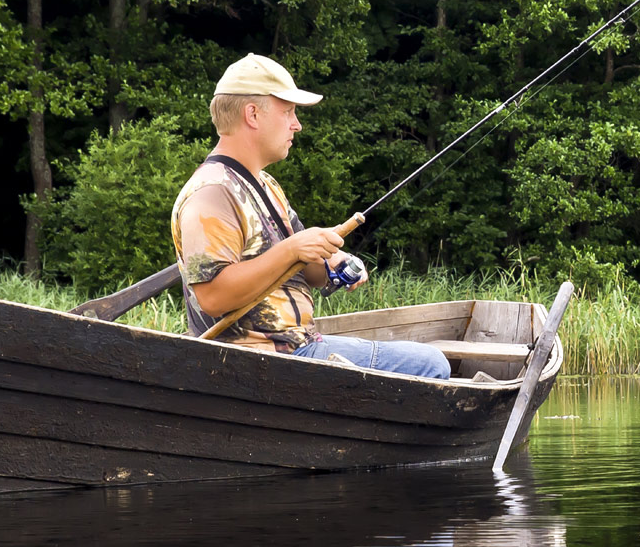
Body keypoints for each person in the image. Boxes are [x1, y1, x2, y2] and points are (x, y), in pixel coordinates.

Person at [170, 53, 451, 379]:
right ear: (252, 115)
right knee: (431, 364)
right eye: (287, 111)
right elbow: (213, 296)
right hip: (258, 362)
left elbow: (308, 272)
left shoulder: (265, 184)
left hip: (295, 349)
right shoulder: (213, 193)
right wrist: (292, 249)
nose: (297, 124)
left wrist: (330, 260)